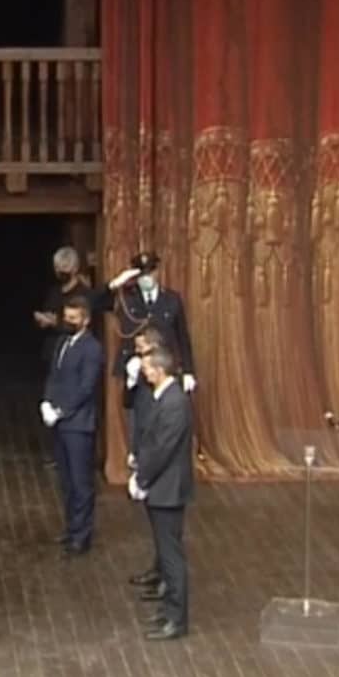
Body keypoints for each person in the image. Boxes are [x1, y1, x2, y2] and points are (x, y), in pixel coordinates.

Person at [129, 348, 194, 640]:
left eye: (147, 367)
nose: (144, 372)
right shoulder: (165, 398)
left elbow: (163, 448)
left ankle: (177, 620)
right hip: (161, 486)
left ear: (159, 369)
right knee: (165, 553)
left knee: (171, 557)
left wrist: (142, 478)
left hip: (167, 488)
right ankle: (168, 610)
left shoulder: (174, 403)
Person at [42, 296, 102, 557]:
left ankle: (81, 535)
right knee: (66, 481)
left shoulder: (92, 348)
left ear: (85, 320)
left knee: (80, 482)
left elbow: (86, 387)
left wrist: (61, 410)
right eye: (66, 317)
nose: (67, 322)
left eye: (73, 318)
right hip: (60, 424)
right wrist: (47, 401)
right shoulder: (62, 342)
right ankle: (71, 527)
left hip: (78, 424)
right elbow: (54, 375)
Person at [94, 253, 195, 397]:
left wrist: (188, 371)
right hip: (134, 371)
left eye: (150, 272)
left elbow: (182, 336)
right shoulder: (125, 298)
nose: (146, 277)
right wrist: (114, 284)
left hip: (164, 368)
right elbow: (96, 304)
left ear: (157, 272)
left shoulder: (171, 299)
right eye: (142, 274)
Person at [122, 327, 170, 599]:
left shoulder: (165, 387)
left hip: (159, 467)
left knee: (165, 528)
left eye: (141, 348)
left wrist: (144, 467)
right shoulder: (142, 377)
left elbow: (158, 433)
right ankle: (158, 569)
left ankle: (167, 579)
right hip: (142, 450)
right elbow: (132, 408)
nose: (137, 353)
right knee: (155, 523)